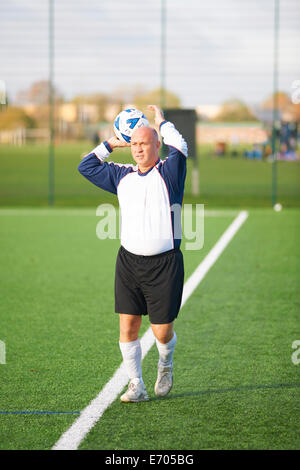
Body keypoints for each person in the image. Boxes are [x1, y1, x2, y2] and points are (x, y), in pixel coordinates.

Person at [78, 105, 188, 402]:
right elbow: (86, 166)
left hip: (165, 265)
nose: (139, 149)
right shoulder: (120, 175)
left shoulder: (170, 172)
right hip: (128, 262)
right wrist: (112, 143)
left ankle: (165, 364)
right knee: (128, 324)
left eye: (145, 143)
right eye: (135, 144)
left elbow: (180, 145)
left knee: (161, 332)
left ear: (157, 145)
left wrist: (161, 123)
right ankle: (136, 384)